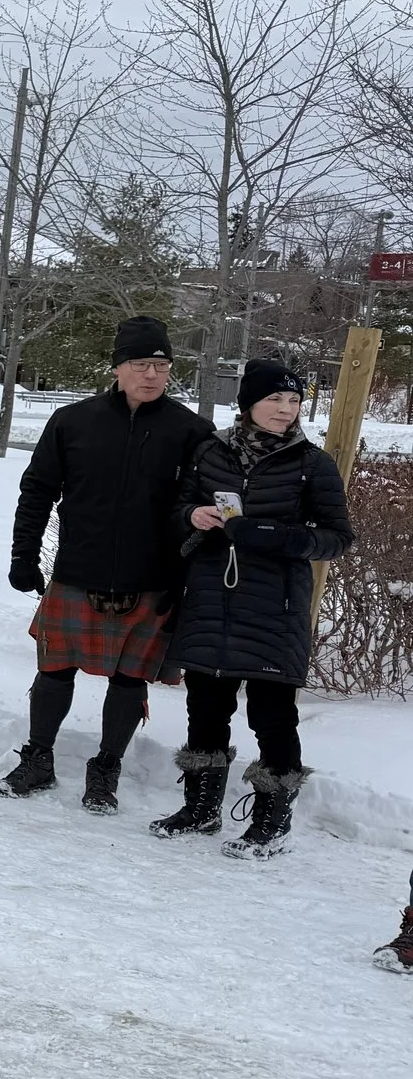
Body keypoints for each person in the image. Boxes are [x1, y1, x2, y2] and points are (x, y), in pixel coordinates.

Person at [0, 316, 212, 810]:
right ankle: (38, 759)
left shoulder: (191, 431)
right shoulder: (73, 421)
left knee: (130, 682)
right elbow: (38, 491)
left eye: (161, 365)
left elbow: (199, 513)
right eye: (141, 364)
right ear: (117, 367)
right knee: (54, 672)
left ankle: (106, 768)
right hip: (77, 573)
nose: (152, 374)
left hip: (152, 580)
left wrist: (186, 582)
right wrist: (23, 554)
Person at [149, 357, 353, 857]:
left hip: (274, 607)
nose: (285, 410)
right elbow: (175, 511)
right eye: (274, 400)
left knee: (273, 716)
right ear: (248, 404)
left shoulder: (312, 464)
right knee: (206, 709)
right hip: (210, 599)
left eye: (294, 401)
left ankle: (272, 821)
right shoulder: (209, 452)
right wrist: (192, 516)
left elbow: (337, 538)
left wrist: (280, 536)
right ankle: (200, 810)